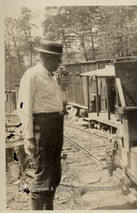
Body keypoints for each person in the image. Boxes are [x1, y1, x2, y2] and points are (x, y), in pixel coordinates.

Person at [17, 39, 65, 210]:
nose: (60, 63)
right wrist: (29, 137)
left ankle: (48, 208)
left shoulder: (51, 77)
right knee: (43, 174)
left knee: (54, 174)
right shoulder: (32, 75)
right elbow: (24, 107)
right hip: (43, 128)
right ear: (45, 57)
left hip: (56, 126)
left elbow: (55, 103)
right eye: (57, 59)